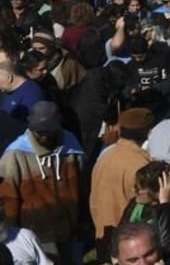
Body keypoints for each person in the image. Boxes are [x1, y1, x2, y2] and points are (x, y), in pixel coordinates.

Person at [0, 101, 85, 265]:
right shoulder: (15, 154)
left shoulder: (70, 145)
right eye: (39, 131)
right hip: (38, 234)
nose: (44, 135)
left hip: (69, 227)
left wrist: (82, 220)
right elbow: (7, 200)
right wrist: (12, 240)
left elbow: (82, 186)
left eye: (48, 130)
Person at [91, 107, 155, 241]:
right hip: (129, 239)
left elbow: (93, 200)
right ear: (148, 132)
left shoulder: (104, 157)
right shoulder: (142, 165)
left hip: (102, 234)